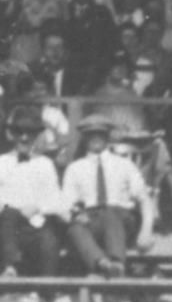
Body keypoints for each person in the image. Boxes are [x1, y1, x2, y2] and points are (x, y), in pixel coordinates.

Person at [0, 110, 70, 280]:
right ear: (11, 135)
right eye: (19, 133)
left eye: (30, 134)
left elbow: (58, 201)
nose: (24, 138)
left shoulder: (45, 164)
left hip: (35, 224)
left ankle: (47, 295)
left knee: (50, 243)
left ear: (37, 136)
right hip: (5, 225)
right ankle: (11, 267)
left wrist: (39, 207)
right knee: (9, 214)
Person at [60, 115, 155, 277]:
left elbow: (144, 199)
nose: (96, 139)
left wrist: (146, 230)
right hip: (91, 220)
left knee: (109, 212)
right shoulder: (75, 168)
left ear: (107, 136)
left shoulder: (124, 165)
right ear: (84, 137)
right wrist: (76, 215)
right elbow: (66, 204)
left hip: (121, 220)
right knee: (74, 228)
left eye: (100, 134)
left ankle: (117, 262)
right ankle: (102, 264)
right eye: (91, 134)